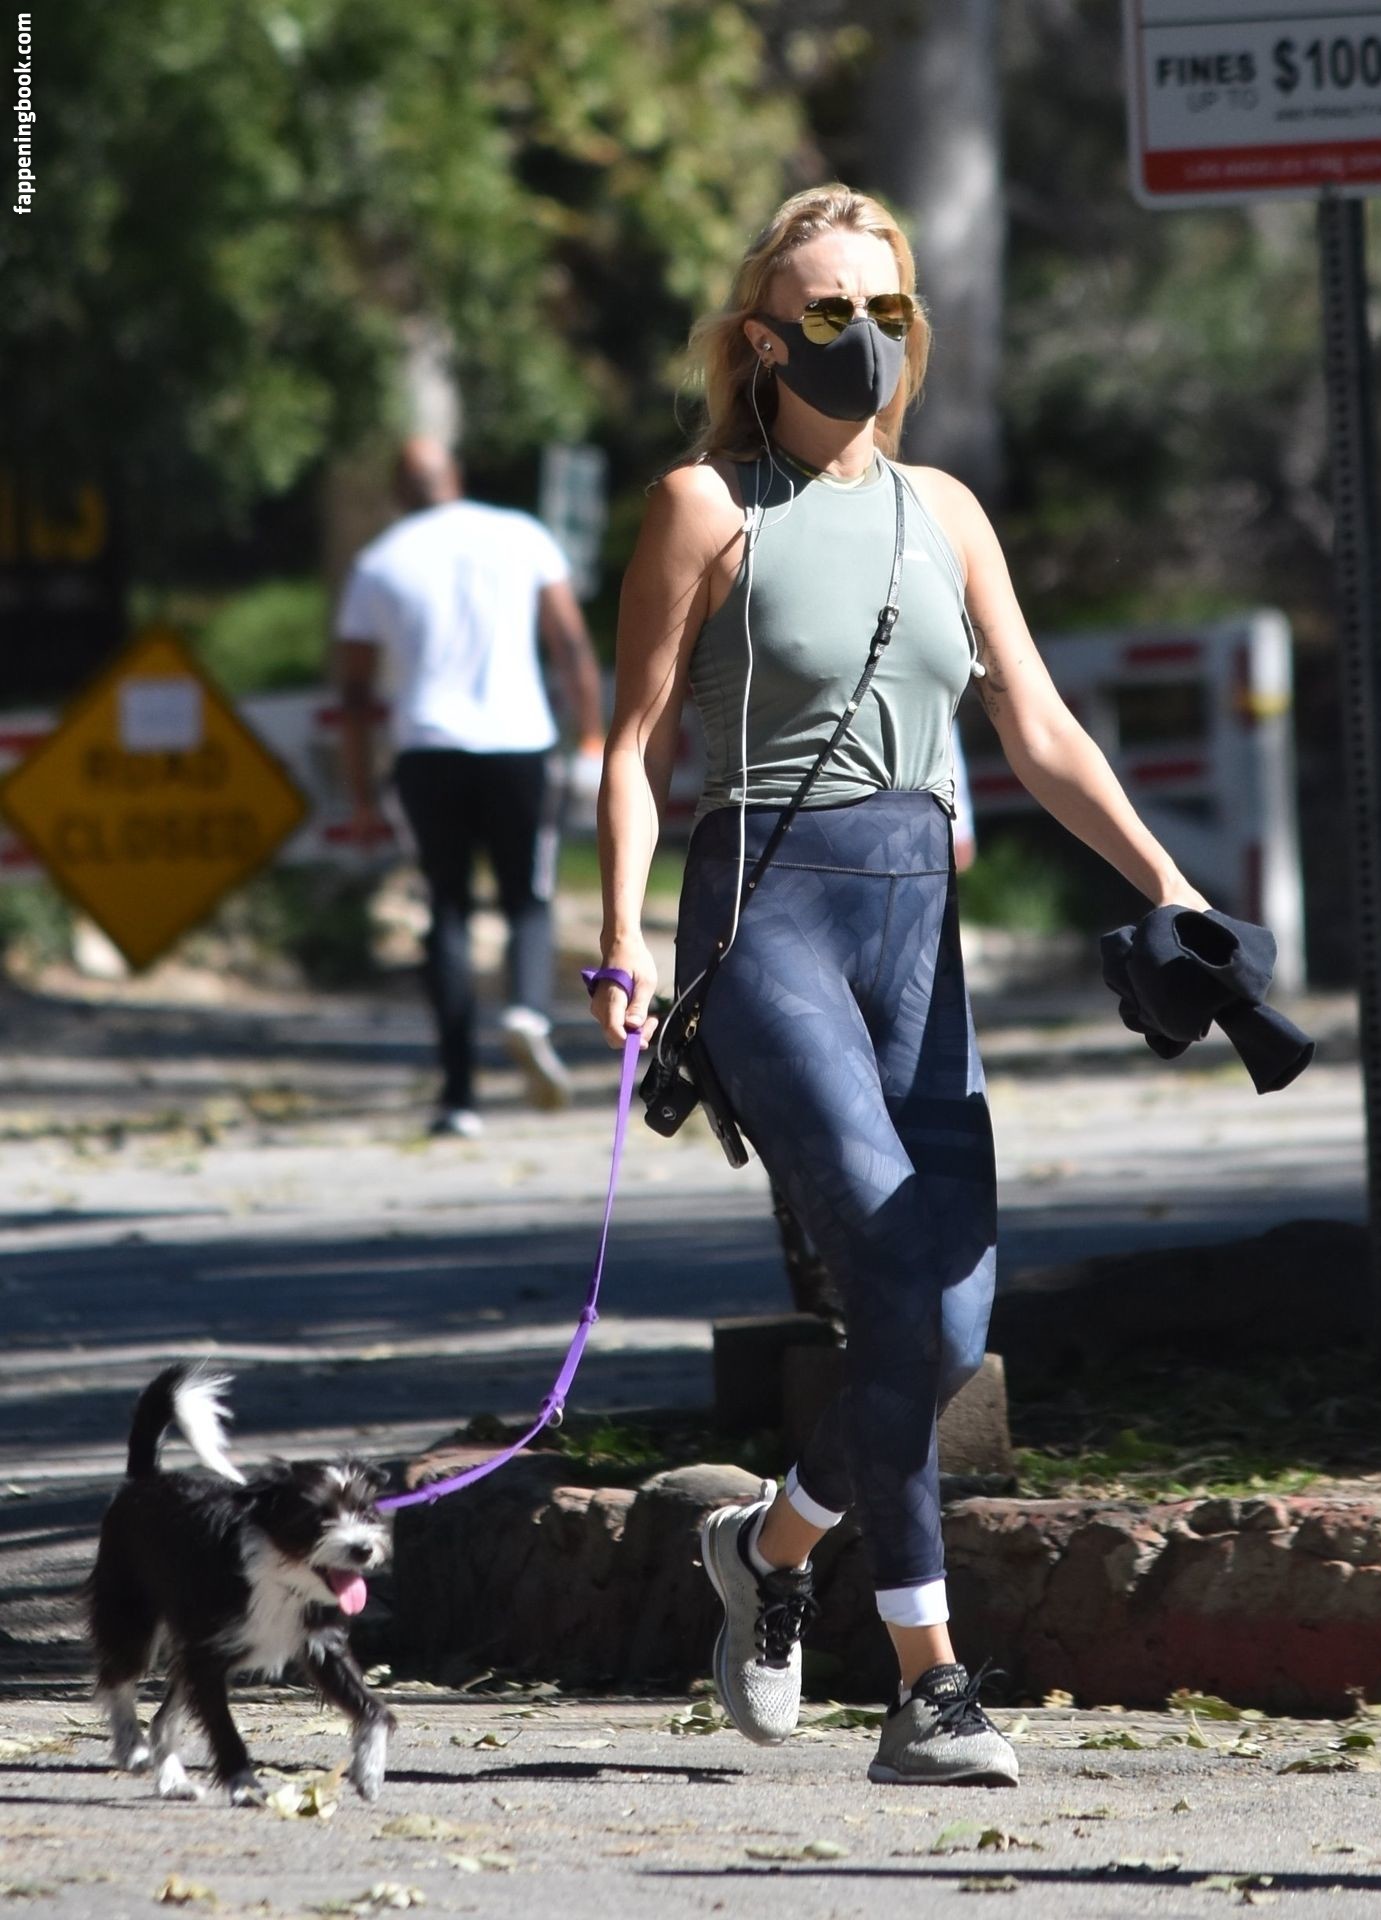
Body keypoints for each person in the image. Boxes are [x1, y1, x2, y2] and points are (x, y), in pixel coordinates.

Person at [588, 184, 1211, 1786]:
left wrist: (1164, 880)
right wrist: (623, 938)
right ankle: (929, 1686)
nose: (858, 337)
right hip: (763, 921)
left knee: (943, 1327)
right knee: (881, 1251)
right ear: (759, 338)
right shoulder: (703, 506)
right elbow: (633, 748)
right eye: (824, 312)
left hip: (914, 928)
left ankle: (768, 1548)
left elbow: (1037, 729)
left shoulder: (944, 511)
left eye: (885, 310)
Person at [337, 438, 605, 1137]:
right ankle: (527, 1011)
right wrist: (590, 736)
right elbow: (569, 643)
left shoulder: (377, 562)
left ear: (398, 492)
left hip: (426, 751)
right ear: (454, 475)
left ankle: (458, 1096)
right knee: (527, 897)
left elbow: (355, 693)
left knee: (446, 908)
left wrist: (361, 795)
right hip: (518, 744)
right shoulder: (521, 534)